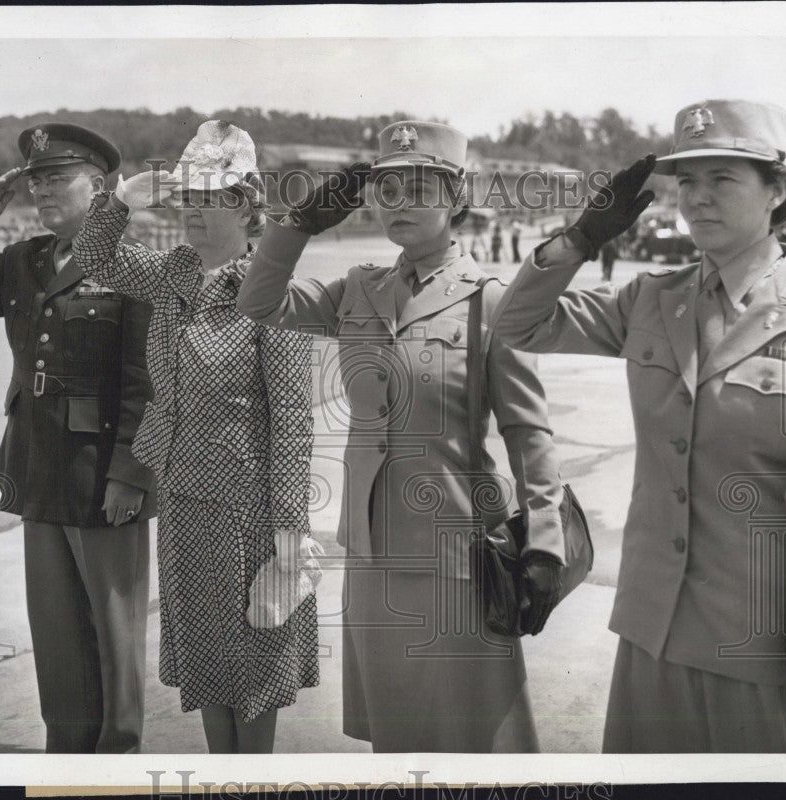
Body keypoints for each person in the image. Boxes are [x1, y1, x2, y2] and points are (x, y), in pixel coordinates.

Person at [493, 99, 786, 752]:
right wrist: (580, 239)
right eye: (687, 182)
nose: (698, 199)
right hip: (653, 634)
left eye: (722, 179)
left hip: (767, 645)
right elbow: (516, 326)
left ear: (778, 190)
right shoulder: (652, 299)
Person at [238, 121, 566, 753]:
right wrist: (296, 227)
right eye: (387, 190)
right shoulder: (359, 289)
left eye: (420, 187)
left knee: (469, 735)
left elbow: (529, 433)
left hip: (459, 555)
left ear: (457, 198)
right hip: (371, 552)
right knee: (396, 735)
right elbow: (257, 304)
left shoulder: (492, 303)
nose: (401, 203)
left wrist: (545, 544)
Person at [71, 120, 320, 755]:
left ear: (246, 206)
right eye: (190, 199)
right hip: (182, 503)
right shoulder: (176, 275)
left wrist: (289, 534)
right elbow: (94, 258)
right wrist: (121, 200)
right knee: (208, 660)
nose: (195, 214)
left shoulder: (270, 288)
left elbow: (292, 421)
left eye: (213, 200)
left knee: (255, 666)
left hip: (251, 514)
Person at [0, 123, 156, 753]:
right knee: (55, 630)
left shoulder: (135, 263)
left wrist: (130, 475)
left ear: (100, 187)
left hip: (104, 471)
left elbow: (146, 384)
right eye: (36, 181)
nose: (43, 192)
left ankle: (118, 753)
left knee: (113, 629)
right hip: (35, 465)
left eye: (58, 179)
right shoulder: (25, 260)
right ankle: (68, 749)